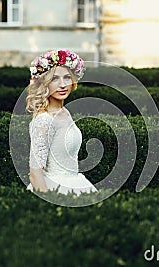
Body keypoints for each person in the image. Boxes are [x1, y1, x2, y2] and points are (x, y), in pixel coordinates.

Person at [25, 49, 98, 195]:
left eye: (67, 77)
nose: (63, 84)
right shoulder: (44, 120)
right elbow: (34, 174)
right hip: (56, 188)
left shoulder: (64, 112)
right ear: (45, 83)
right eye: (54, 79)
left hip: (75, 182)